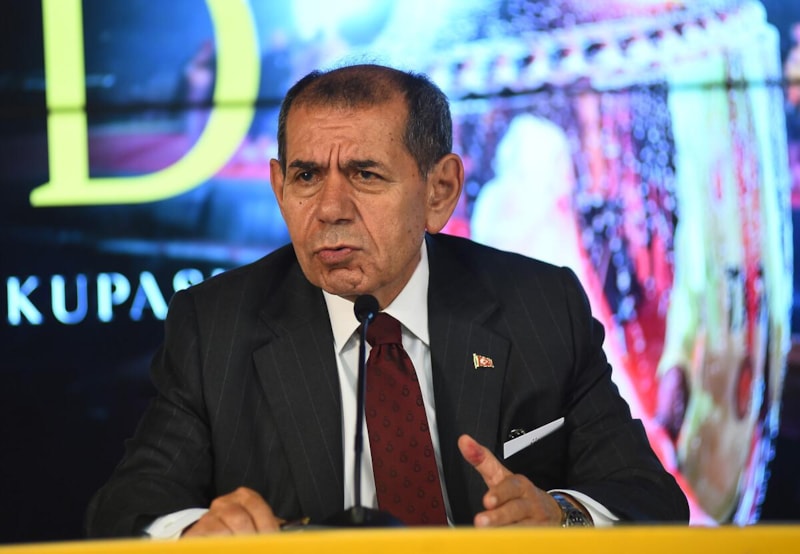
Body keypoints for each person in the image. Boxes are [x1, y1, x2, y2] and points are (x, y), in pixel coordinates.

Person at [86, 64, 689, 538]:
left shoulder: (538, 306)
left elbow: (649, 497)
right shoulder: (216, 326)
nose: (329, 209)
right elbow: (127, 509)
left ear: (440, 190)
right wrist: (194, 532)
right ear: (278, 186)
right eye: (305, 176)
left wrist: (560, 516)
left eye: (365, 175)